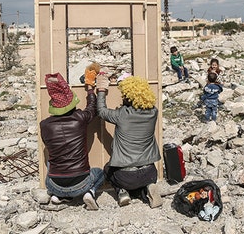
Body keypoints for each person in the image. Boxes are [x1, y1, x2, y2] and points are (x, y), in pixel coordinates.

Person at [96, 75, 163, 208]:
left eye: (125, 96)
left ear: (129, 97)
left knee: (107, 169)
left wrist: (101, 91)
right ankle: (147, 188)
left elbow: (101, 111)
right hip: (150, 173)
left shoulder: (122, 114)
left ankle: (122, 192)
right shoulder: (153, 113)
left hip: (125, 177)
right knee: (140, 182)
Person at [40, 71, 103, 210]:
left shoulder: (44, 125)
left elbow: (47, 144)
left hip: (53, 184)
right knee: (100, 172)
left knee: (51, 160)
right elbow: (93, 108)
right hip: (81, 183)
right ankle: (90, 193)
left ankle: (60, 195)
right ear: (72, 104)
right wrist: (90, 89)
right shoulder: (80, 119)